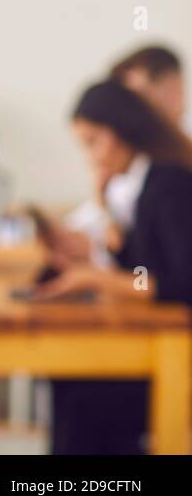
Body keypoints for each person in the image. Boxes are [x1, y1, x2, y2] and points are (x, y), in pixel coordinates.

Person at [35, 80, 192, 454]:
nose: (92, 157)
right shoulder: (147, 182)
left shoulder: (169, 184)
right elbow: (143, 269)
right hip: (162, 337)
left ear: (122, 130)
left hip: (177, 349)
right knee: (66, 375)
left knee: (81, 394)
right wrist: (98, 233)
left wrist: (95, 278)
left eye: (93, 142)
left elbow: (182, 285)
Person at [57, 44, 189, 267]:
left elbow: (177, 281)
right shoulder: (142, 172)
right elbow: (136, 256)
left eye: (137, 97)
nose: (133, 108)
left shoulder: (171, 175)